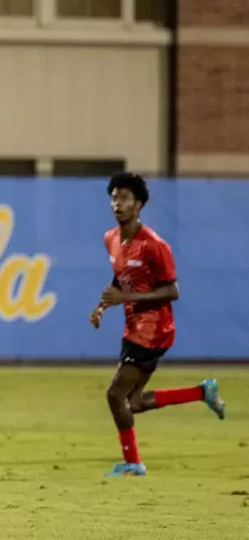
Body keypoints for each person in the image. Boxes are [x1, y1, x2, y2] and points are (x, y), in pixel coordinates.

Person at [91, 172, 226, 478]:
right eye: (114, 197)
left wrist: (123, 296)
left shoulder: (154, 245)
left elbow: (172, 290)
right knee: (134, 402)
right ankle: (202, 392)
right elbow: (121, 277)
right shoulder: (110, 238)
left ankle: (133, 463)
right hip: (133, 326)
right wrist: (103, 305)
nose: (118, 203)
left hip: (153, 329)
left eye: (124, 198)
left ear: (139, 205)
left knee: (115, 396)